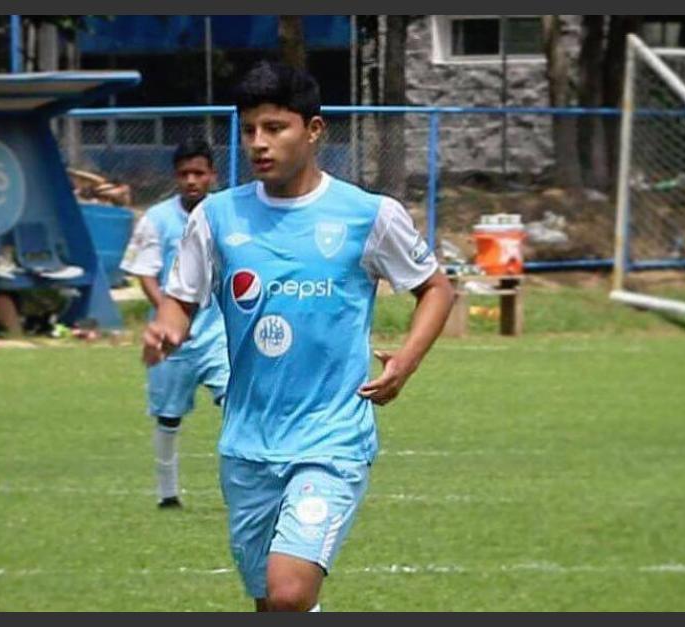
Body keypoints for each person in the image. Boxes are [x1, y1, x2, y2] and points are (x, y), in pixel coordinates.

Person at [144, 61, 454, 611]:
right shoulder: (217, 217)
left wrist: (404, 362)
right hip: (247, 443)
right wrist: (167, 328)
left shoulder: (368, 215)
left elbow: (436, 288)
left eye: (274, 128)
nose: (258, 143)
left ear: (313, 130)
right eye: (248, 130)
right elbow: (181, 299)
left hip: (331, 439)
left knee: (289, 592)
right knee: (270, 602)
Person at [122, 139, 230, 509]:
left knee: (238, 404)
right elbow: (145, 273)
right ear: (175, 177)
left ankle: (245, 485)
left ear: (212, 175)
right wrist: (171, 317)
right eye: (184, 174)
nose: (191, 180)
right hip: (173, 341)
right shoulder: (156, 219)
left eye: (199, 173)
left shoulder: (226, 215)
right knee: (168, 416)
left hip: (219, 335)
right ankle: (167, 493)